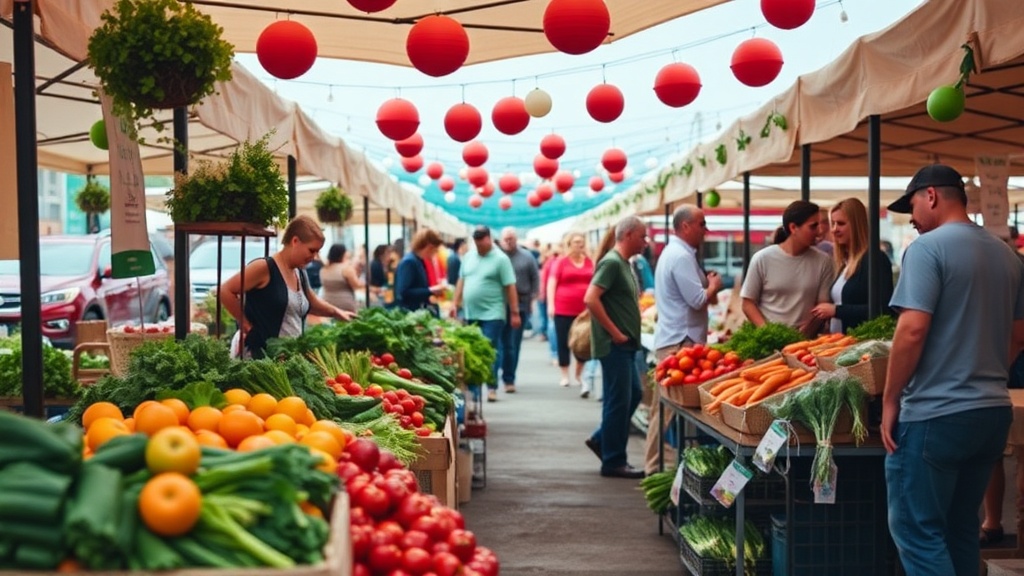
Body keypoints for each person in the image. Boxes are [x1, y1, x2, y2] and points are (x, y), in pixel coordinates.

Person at [880, 164, 1024, 576]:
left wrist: (891, 398)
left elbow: (911, 330)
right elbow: (1019, 334)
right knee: (961, 528)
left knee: (917, 531)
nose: (911, 218)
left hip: (935, 415)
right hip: (992, 412)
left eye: (911, 206)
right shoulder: (1007, 255)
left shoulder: (926, 249)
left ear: (931, 196)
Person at [643, 205, 723, 475]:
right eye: (701, 224)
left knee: (664, 409)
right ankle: (654, 467)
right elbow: (697, 300)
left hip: (677, 339)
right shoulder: (680, 256)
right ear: (686, 226)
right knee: (665, 410)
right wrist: (713, 285)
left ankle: (658, 464)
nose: (706, 229)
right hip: (681, 344)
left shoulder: (675, 253)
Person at [219, 215, 355, 359]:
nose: (315, 256)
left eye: (318, 252)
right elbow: (226, 290)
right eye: (311, 250)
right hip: (261, 359)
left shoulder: (300, 272)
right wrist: (246, 325)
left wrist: (337, 312)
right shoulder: (264, 267)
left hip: (288, 359)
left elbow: (312, 303)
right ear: (295, 241)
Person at [583, 215, 649, 479]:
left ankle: (602, 439)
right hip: (614, 345)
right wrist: (615, 332)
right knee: (618, 401)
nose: (646, 242)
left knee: (631, 394)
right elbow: (591, 299)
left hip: (625, 344)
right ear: (630, 234)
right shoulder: (611, 263)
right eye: (643, 236)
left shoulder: (622, 263)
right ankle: (613, 461)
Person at [740, 200, 835, 338]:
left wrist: (807, 330)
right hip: (767, 342)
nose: (819, 232)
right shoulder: (762, 259)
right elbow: (748, 303)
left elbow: (822, 306)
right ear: (793, 227)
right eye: (813, 226)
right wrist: (768, 333)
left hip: (805, 344)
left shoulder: (824, 261)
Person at [453, 226, 520, 403]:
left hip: (494, 313)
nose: (479, 246)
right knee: (472, 351)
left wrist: (514, 312)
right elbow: (461, 281)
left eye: (481, 242)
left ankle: (491, 386)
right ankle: (475, 389)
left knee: (490, 350)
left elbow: (510, 286)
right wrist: (455, 303)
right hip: (471, 312)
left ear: (489, 239)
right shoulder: (468, 257)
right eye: (476, 242)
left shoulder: (501, 259)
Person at [809, 198, 895, 333]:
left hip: (859, 344)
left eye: (841, 224)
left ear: (857, 225)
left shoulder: (875, 259)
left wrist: (836, 310)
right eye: (833, 224)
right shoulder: (845, 262)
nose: (834, 230)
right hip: (840, 344)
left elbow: (883, 308)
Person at [548, 232, 594, 388]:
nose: (579, 245)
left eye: (581, 242)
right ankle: (565, 374)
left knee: (582, 342)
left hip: (584, 310)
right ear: (569, 244)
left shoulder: (589, 262)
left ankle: (578, 374)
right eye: (576, 242)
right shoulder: (561, 262)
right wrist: (551, 305)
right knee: (563, 341)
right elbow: (552, 283)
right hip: (563, 308)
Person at [499, 227, 540, 394]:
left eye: (512, 238)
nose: (509, 241)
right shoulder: (498, 257)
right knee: (501, 342)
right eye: (506, 239)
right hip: (500, 305)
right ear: (502, 240)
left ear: (516, 239)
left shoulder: (527, 256)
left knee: (513, 343)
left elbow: (535, 277)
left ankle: (509, 378)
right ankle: (501, 372)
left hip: (522, 303)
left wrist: (533, 298)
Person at [395, 229, 447, 314]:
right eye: (435, 250)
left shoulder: (418, 261)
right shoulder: (409, 262)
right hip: (410, 314)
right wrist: (430, 290)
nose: (436, 254)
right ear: (429, 247)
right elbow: (403, 292)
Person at [320, 243, 363, 314]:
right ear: (343, 254)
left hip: (328, 304)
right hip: (345, 305)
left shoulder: (324, 269)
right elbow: (356, 285)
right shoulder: (346, 269)